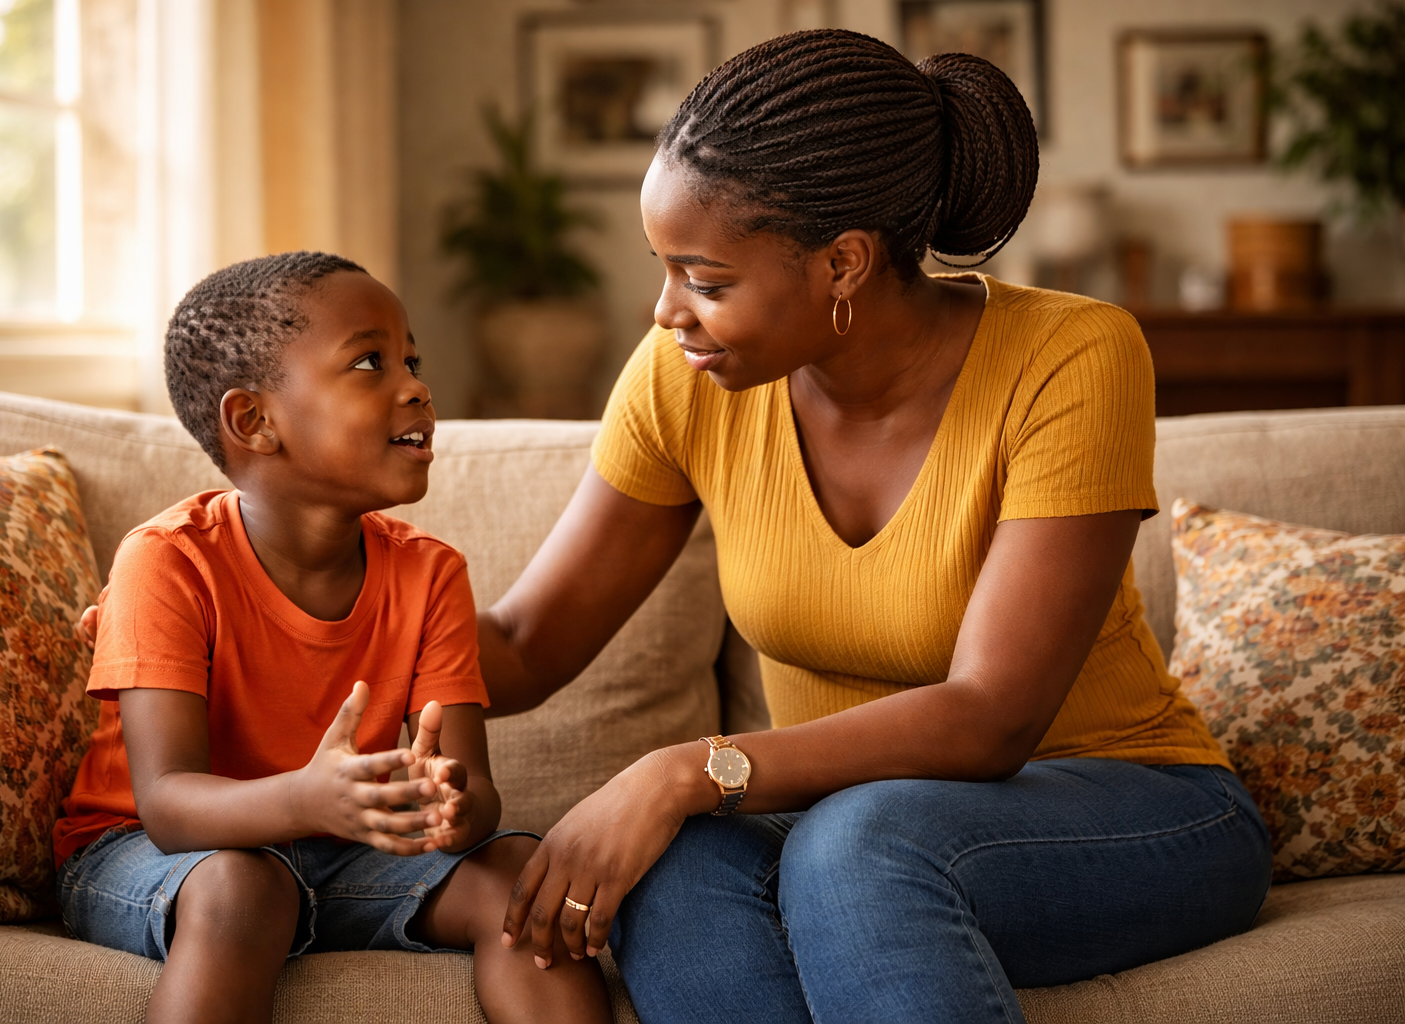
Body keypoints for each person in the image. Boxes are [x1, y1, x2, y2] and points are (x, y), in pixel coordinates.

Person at [474, 31, 1273, 1023]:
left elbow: (990, 716)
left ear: (843, 263)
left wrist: (687, 768)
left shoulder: (1072, 355)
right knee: (678, 873)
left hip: (1132, 809)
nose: (665, 311)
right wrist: (315, 581)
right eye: (665, 269)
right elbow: (520, 644)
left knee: (861, 842)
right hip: (834, 827)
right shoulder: (683, 378)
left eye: (708, 281)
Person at [54, 252, 610, 1024]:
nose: (416, 385)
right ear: (254, 421)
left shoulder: (431, 575)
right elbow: (168, 806)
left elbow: (476, 790)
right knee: (245, 886)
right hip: (155, 855)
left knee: (519, 873)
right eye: (370, 363)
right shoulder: (168, 560)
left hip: (344, 852)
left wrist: (447, 807)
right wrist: (308, 797)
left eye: (412, 359)